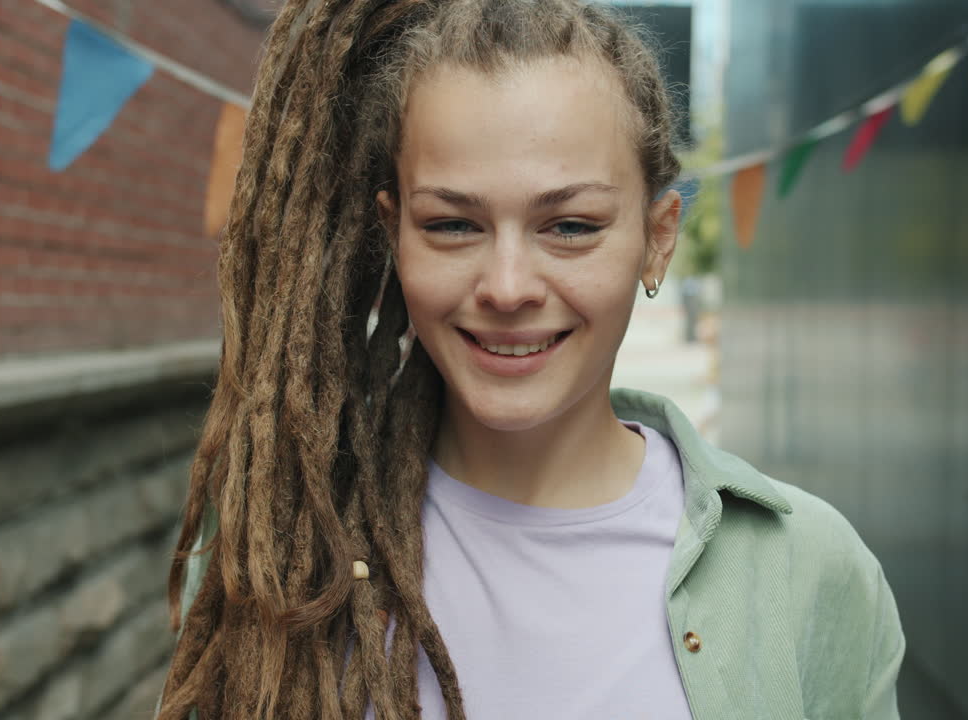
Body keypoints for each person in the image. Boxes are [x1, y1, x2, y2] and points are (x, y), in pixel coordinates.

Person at [155, 1, 905, 719]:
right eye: (452, 225)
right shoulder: (281, 552)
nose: (507, 287)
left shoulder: (811, 573)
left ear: (659, 235)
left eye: (570, 225)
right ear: (394, 235)